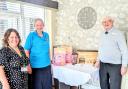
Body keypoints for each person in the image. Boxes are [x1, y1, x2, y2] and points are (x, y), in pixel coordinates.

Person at [95, 16, 128, 89]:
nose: (106, 23)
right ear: (102, 24)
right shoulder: (102, 34)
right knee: (103, 86)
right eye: (104, 22)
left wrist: (124, 66)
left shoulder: (119, 34)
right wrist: (98, 61)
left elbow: (124, 50)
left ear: (112, 22)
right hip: (103, 65)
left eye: (108, 21)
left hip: (115, 66)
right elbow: (100, 48)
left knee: (115, 87)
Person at [24, 18, 52, 89]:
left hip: (47, 65)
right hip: (35, 66)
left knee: (47, 86)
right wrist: (28, 65)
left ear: (43, 25)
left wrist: (50, 60)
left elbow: (48, 48)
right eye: (37, 25)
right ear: (35, 26)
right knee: (37, 86)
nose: (39, 27)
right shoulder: (31, 35)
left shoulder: (46, 35)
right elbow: (26, 51)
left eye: (41, 25)